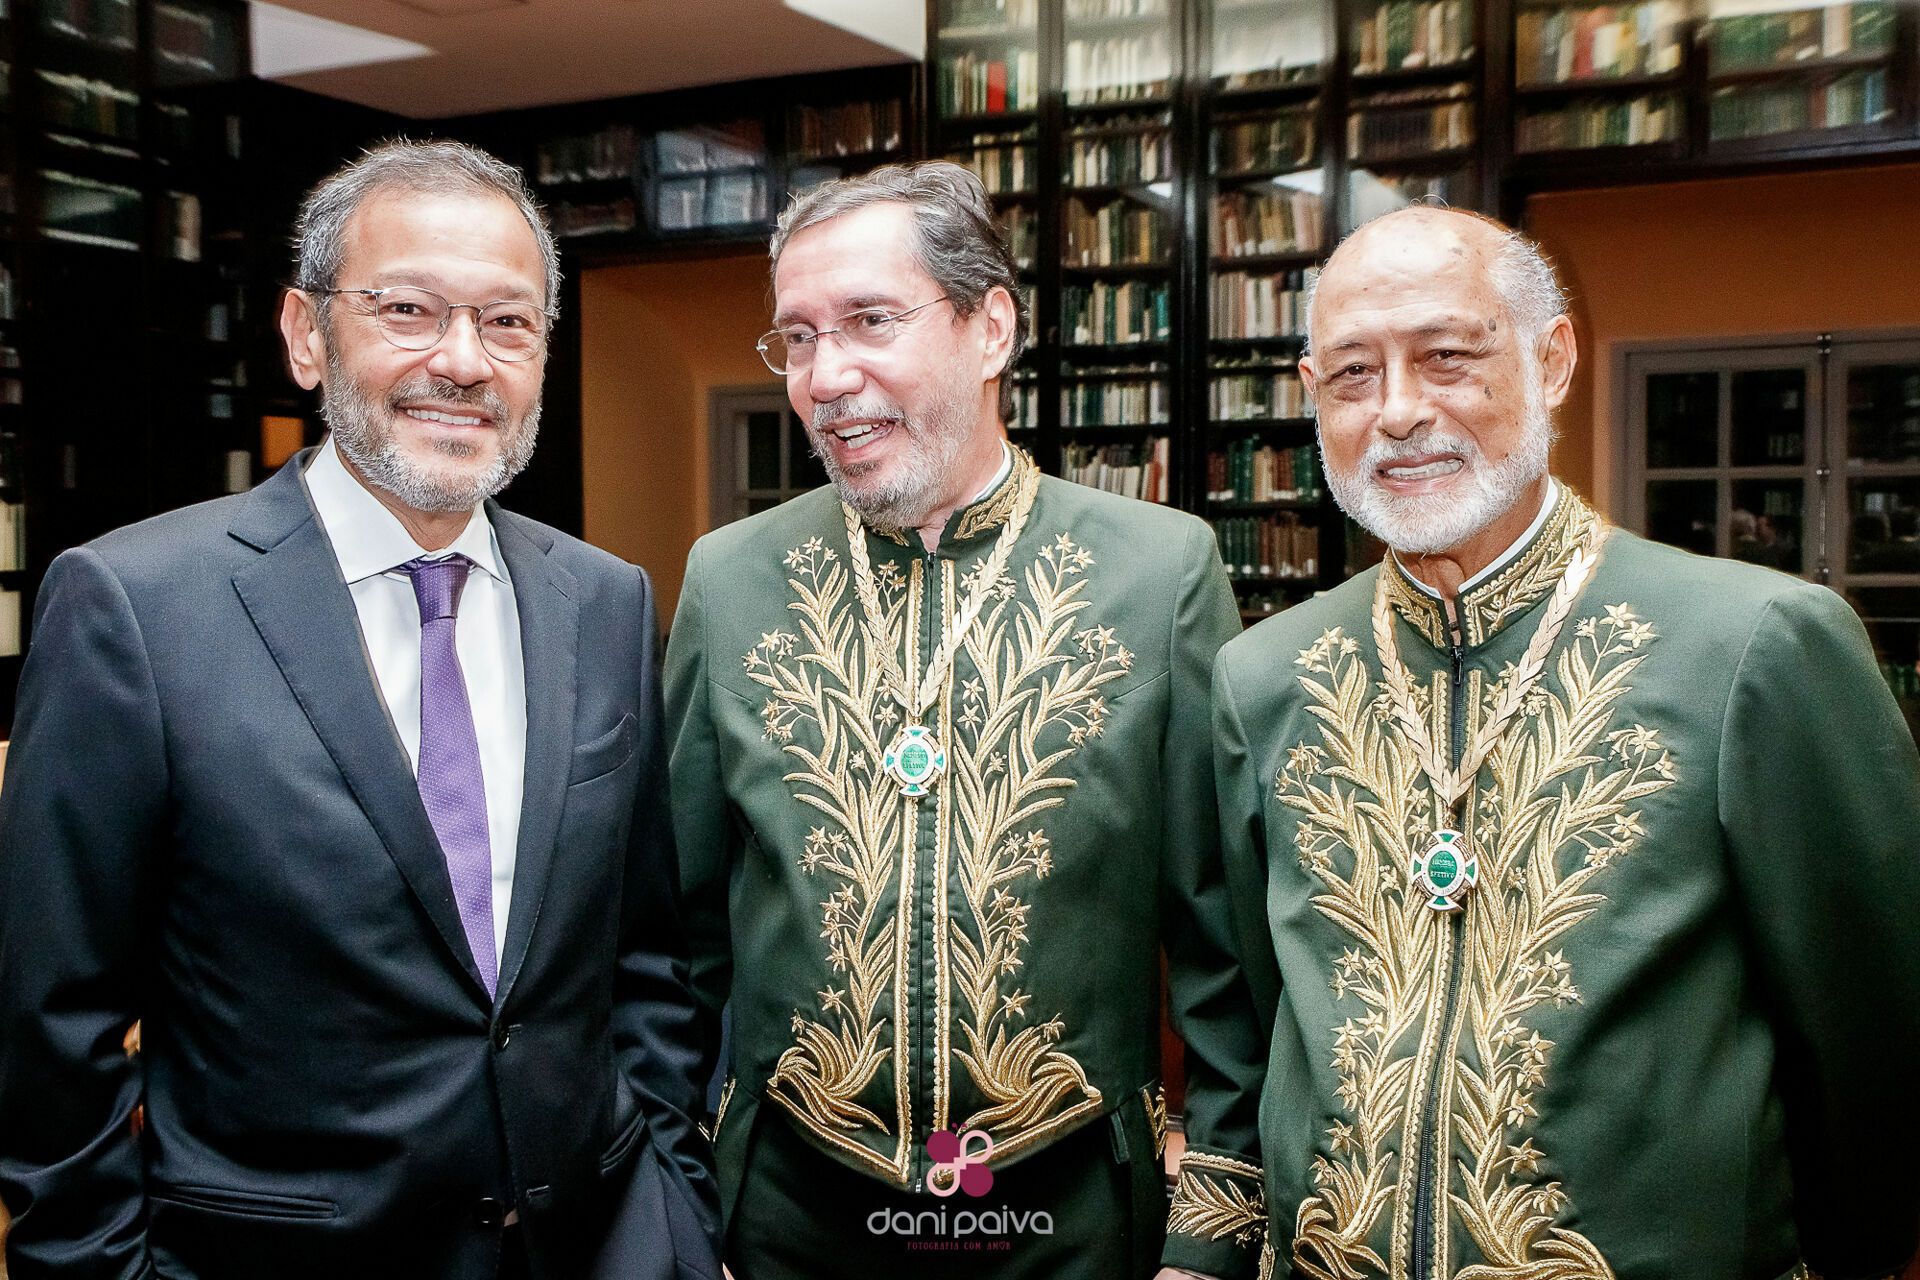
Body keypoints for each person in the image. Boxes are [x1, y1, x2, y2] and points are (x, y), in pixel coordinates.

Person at [0, 140, 719, 1280]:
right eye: (408, 309)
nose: (463, 360)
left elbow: (641, 960)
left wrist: (673, 1208)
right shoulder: (135, 607)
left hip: (596, 1244)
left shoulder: (606, 600)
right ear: (306, 334)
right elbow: (53, 1025)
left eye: (508, 322)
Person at [1212, 205, 1920, 1279]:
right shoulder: (1265, 675)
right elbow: (1264, 1018)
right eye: (1353, 374)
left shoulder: (1753, 644)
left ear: (1552, 361)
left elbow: (1873, 1041)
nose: (1397, 411)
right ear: (1313, 395)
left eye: (1446, 357)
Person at [665, 161, 1269, 1280]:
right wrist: (684, 1213)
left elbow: (1222, 943)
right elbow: (678, 940)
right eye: (797, 337)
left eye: (869, 321)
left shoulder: (1160, 571)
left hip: (1072, 1211)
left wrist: (1210, 1237)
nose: (826, 375)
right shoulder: (729, 578)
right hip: (789, 1212)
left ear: (991, 328)